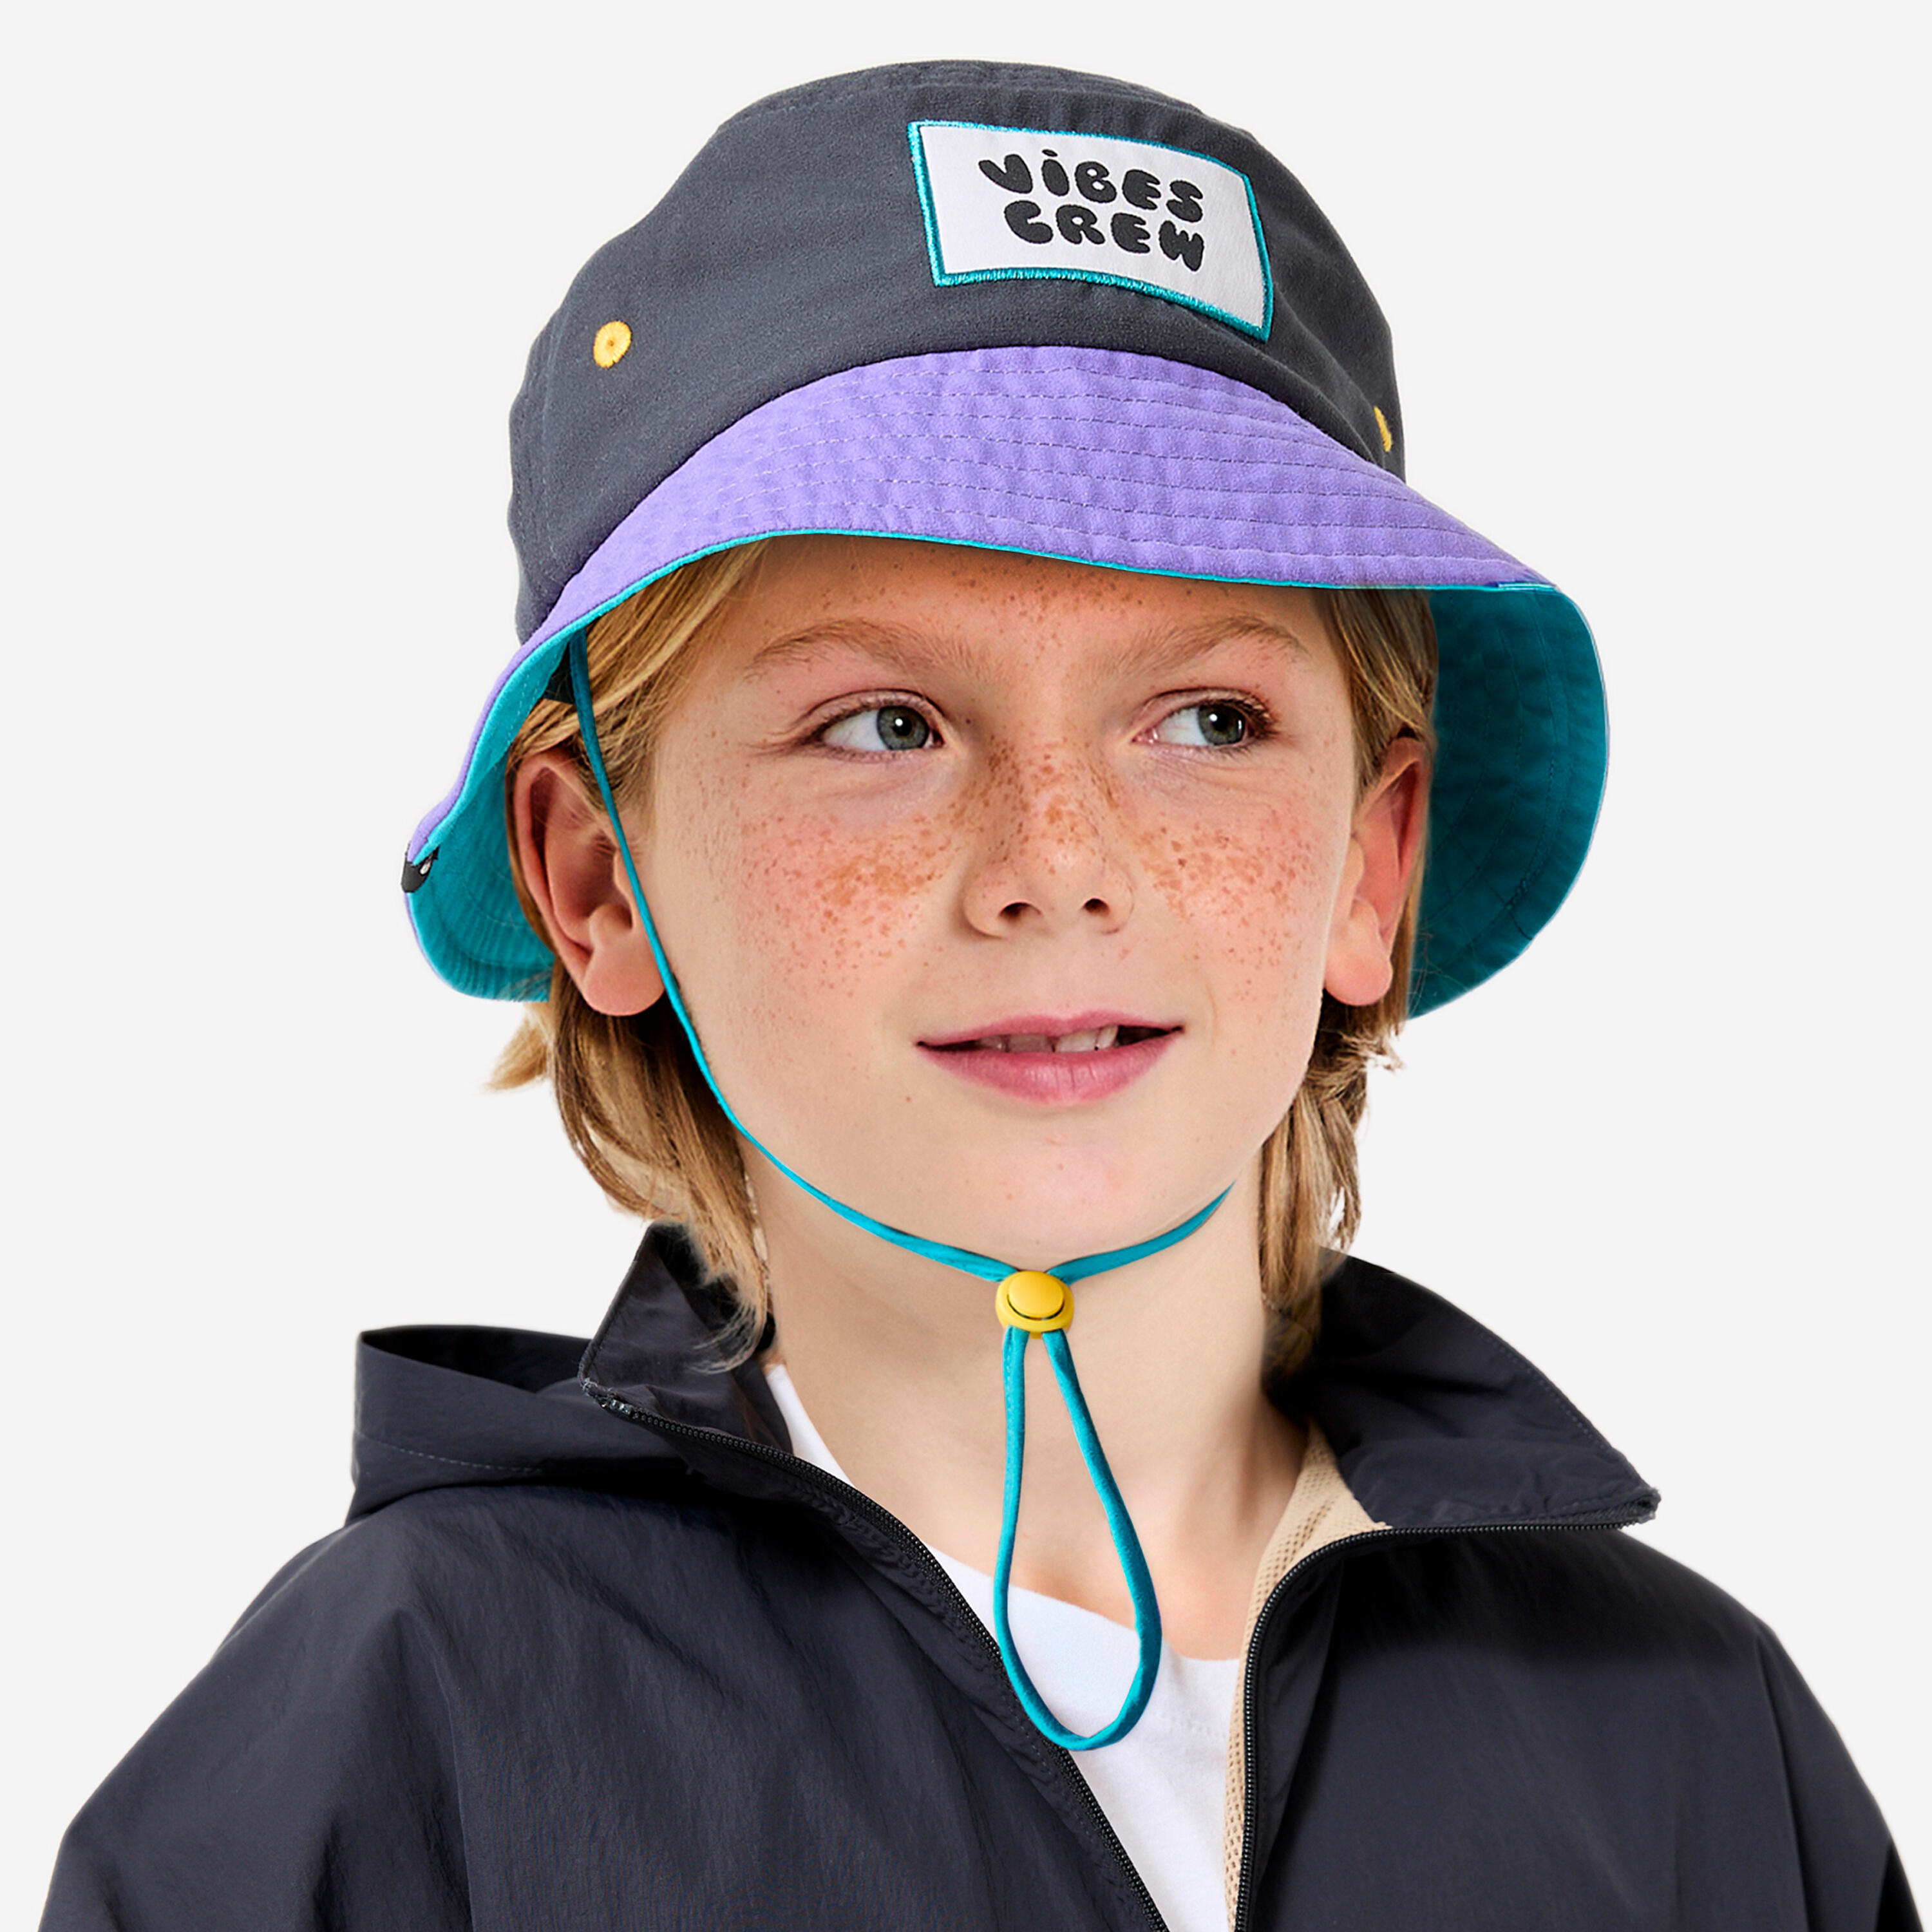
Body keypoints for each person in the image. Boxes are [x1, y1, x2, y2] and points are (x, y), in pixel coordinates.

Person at [39, 59, 1917, 1932]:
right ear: (599, 879)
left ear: (1373, 864)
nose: (1058, 861)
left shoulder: (1690, 1735)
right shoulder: (399, 1729)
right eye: (884, 724)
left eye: (1210, 720)